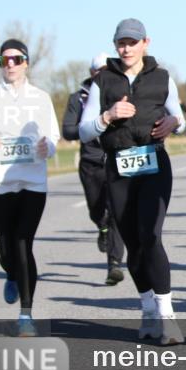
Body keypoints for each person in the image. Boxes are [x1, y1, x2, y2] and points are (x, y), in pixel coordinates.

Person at [78, 19, 186, 345]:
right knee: (133, 243)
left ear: (145, 43)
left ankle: (167, 316)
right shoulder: (102, 81)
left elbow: (178, 116)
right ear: (115, 46)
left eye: (132, 42)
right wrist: (107, 116)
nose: (126, 48)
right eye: (121, 43)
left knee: (151, 235)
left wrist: (173, 122)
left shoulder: (162, 77)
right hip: (119, 167)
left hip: (154, 162)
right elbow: (84, 130)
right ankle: (148, 310)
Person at [0, 40, 59, 337]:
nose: (11, 65)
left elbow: (52, 137)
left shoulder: (40, 98)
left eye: (16, 59)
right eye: (5, 60)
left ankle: (25, 315)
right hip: (0, 183)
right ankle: (11, 274)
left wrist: (48, 146)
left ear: (26, 62)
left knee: (22, 243)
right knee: (6, 253)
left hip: (32, 182)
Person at [61, 53, 125, 285]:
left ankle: (114, 264)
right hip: (90, 162)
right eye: (100, 70)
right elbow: (67, 131)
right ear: (92, 73)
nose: (104, 75)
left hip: (116, 160)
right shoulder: (78, 98)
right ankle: (101, 226)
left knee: (117, 212)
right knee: (97, 211)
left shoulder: (122, 93)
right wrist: (90, 126)